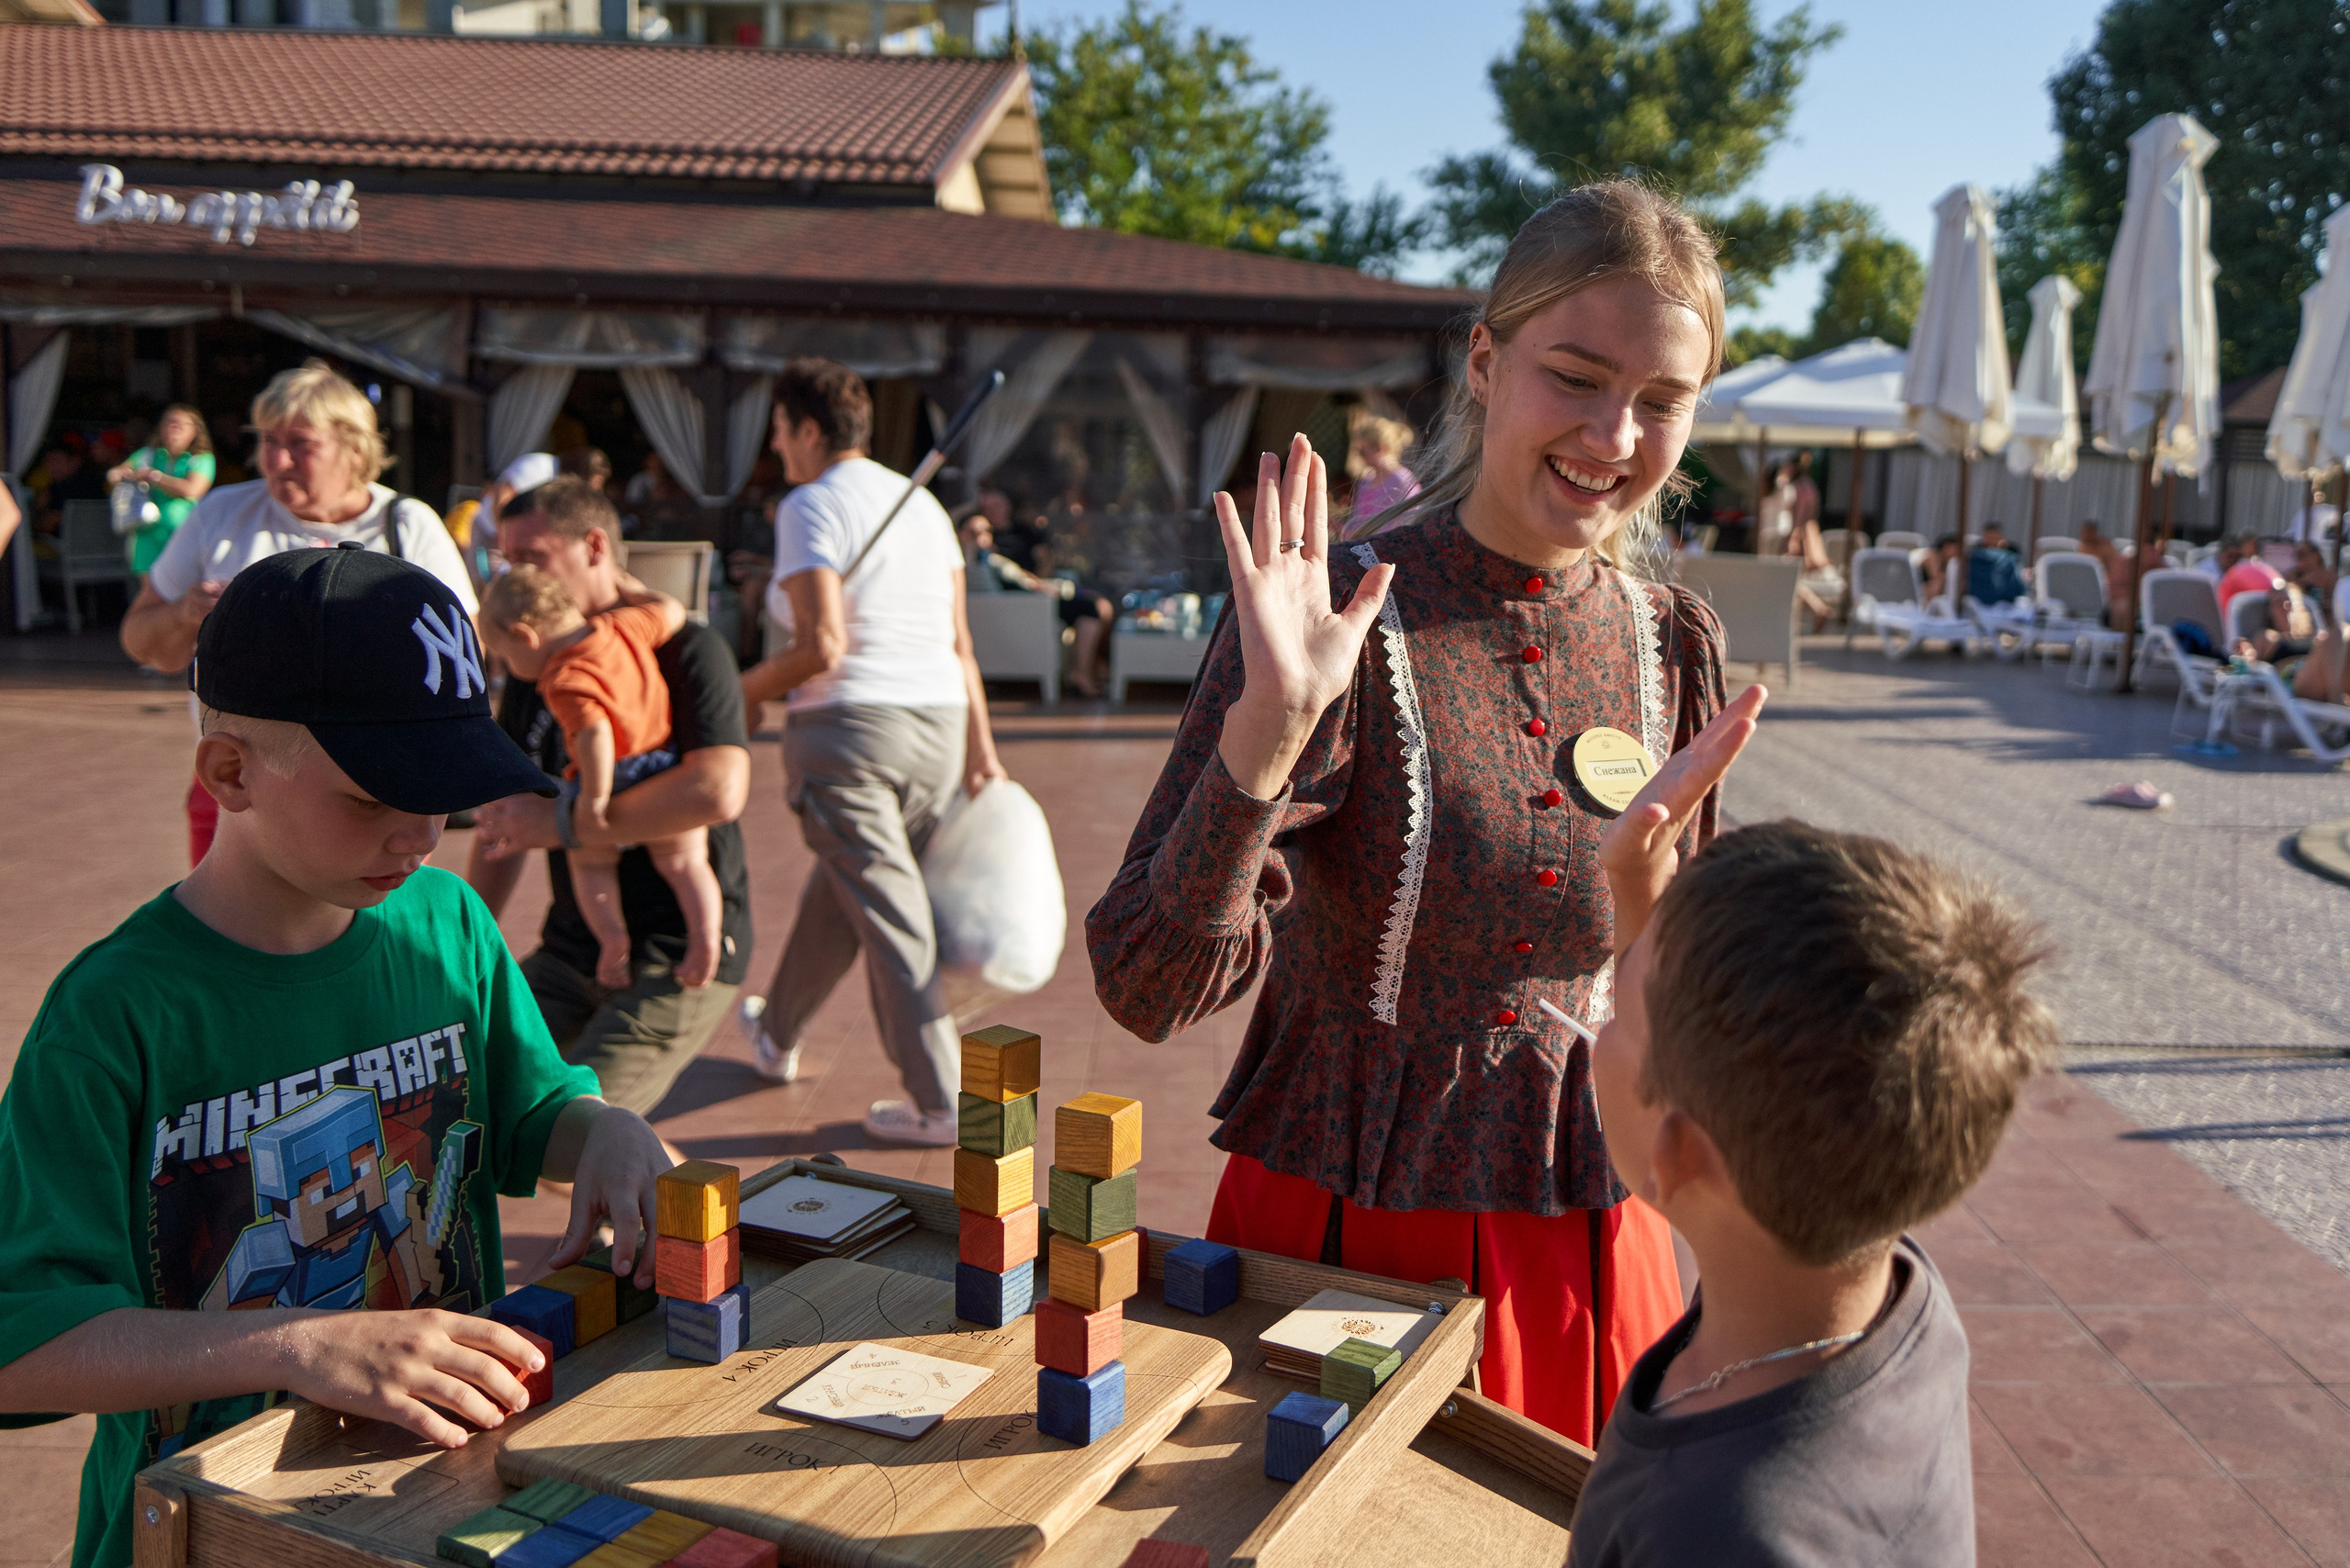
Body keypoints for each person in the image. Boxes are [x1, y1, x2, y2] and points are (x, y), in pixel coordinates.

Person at [1087, 180, 1729, 1442]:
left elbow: (1682, 979)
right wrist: (1263, 744)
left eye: (1661, 402)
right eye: (1577, 376)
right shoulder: (1336, 617)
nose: (1614, 434)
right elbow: (1144, 988)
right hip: (1355, 1235)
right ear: (1485, 362)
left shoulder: (1674, 641)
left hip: (1601, 1238)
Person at [0, 546, 676, 1568]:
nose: (421, 832)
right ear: (230, 771)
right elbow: (25, 1344)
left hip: (435, 1506)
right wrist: (303, 1349)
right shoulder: (113, 1013)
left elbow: (535, 1109)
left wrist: (606, 1130)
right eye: (375, 795)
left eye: (446, 788)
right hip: (200, 1528)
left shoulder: (449, 924)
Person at [1567, 815, 2057, 1565]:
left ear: (1680, 1154)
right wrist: (1637, 887)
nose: (1593, 1033)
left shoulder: (1717, 1532)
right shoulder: (1881, 1287)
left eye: (1614, 1016)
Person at [737, 358, 1007, 1146]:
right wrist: (979, 748)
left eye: (781, 431)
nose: (777, 447)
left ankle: (942, 1101)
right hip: (936, 728)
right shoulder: (921, 507)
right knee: (848, 888)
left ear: (810, 431)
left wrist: (740, 688)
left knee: (890, 914)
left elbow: (819, 646)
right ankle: (776, 1034)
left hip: (849, 735)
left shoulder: (808, 504)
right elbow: (961, 644)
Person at [466, 478, 754, 1117]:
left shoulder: (687, 650)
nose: (517, 575)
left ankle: (698, 1215)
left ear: (594, 546)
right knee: (469, 1099)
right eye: (507, 560)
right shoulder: (534, 656)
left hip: (676, 956)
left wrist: (567, 824)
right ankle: (654, 1208)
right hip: (576, 948)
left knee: (573, 1136)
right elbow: (508, 815)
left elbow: (718, 790)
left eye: (531, 558)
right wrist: (465, 941)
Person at [119, 360, 477, 867]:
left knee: (361, 939)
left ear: (354, 448)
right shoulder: (222, 513)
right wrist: (187, 612)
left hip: (376, 790)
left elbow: (468, 658)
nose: (277, 459)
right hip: (238, 790)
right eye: (267, 440)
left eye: (300, 444)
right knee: (231, 940)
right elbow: (141, 642)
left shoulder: (408, 525)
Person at [478, 565, 722, 991]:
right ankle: (706, 941)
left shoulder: (563, 678)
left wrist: (592, 799)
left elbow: (594, 733)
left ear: (525, 636)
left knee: (589, 863)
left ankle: (613, 941)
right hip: (662, 762)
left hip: (612, 773)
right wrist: (635, 590)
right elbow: (671, 610)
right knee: (686, 861)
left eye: (506, 657)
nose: (510, 670)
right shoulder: (621, 626)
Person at [105, 403, 215, 581]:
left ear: (195, 430)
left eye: (179, 424)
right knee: (151, 596)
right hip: (148, 537)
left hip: (184, 538)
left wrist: (155, 477)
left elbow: (193, 490)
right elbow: (113, 475)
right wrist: (125, 475)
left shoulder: (202, 459)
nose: (173, 428)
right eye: (168, 423)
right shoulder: (148, 455)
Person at [1347, 409, 1421, 532]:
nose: (1359, 456)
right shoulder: (1366, 481)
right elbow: (1358, 526)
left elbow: (1410, 524)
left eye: (1362, 451)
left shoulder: (1402, 481)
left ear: (1381, 448)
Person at [1967, 522, 2029, 606]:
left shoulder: (2011, 552)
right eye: (1988, 537)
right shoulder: (1976, 553)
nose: (1991, 541)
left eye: (1994, 538)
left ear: (2001, 538)